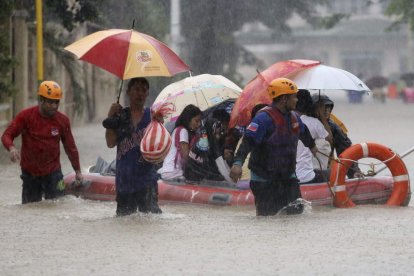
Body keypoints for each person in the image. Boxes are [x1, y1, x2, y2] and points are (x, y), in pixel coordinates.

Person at [229, 78, 316, 216]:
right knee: (268, 218)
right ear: (284, 99)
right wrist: (238, 163)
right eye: (294, 97)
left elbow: (304, 133)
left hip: (288, 178)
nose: (297, 100)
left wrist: (313, 147)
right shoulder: (263, 119)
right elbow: (247, 142)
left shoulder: (294, 117)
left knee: (296, 214)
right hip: (264, 179)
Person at [1, 80, 83, 204]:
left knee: (59, 206)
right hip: (30, 174)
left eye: (57, 102)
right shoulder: (26, 116)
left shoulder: (63, 121)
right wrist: (11, 148)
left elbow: (70, 147)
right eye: (50, 102)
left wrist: (77, 171)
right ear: (41, 100)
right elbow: (7, 135)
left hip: (54, 174)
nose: (54, 106)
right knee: (30, 210)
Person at [103, 77, 161, 216]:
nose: (140, 93)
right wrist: (110, 116)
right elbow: (110, 143)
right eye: (136, 89)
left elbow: (160, 148)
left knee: (149, 221)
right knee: (124, 221)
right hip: (125, 181)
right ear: (128, 92)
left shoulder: (153, 116)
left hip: (147, 181)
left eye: (143, 90)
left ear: (147, 94)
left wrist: (160, 126)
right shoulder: (120, 116)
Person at [311, 93, 363, 179]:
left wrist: (354, 171)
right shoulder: (301, 124)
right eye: (323, 107)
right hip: (304, 170)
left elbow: (346, 150)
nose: (326, 110)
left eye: (328, 107)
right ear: (314, 109)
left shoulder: (333, 127)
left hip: (327, 170)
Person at [295, 90, 332, 184]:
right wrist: (322, 116)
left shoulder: (287, 121)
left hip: (291, 176)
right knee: (332, 173)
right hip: (307, 176)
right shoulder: (314, 123)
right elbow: (329, 139)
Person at [158, 104, 202, 181]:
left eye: (200, 121)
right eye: (196, 121)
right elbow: (185, 155)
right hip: (173, 173)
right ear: (188, 119)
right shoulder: (182, 131)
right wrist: (200, 160)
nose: (199, 124)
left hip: (169, 171)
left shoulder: (179, 130)